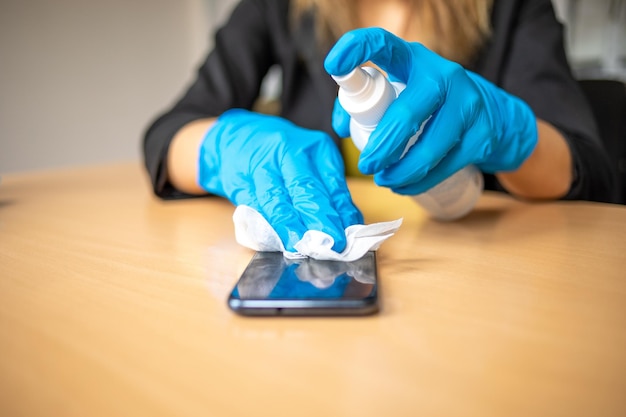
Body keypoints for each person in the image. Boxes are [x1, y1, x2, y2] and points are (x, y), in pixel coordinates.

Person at [143, 0, 616, 254]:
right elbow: (168, 134)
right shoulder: (278, 7)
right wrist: (227, 146)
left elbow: (590, 170)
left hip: (476, 265)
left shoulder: (509, 9)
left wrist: (509, 131)